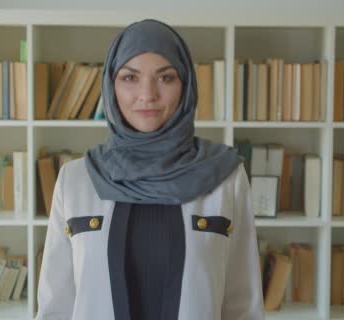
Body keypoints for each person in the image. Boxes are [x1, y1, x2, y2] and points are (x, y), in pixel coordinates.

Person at [36, 19, 264, 320]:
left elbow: (242, 305)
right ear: (111, 85)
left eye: (166, 78)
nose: (147, 95)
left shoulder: (226, 177)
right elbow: (56, 307)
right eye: (130, 78)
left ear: (186, 85)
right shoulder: (76, 179)